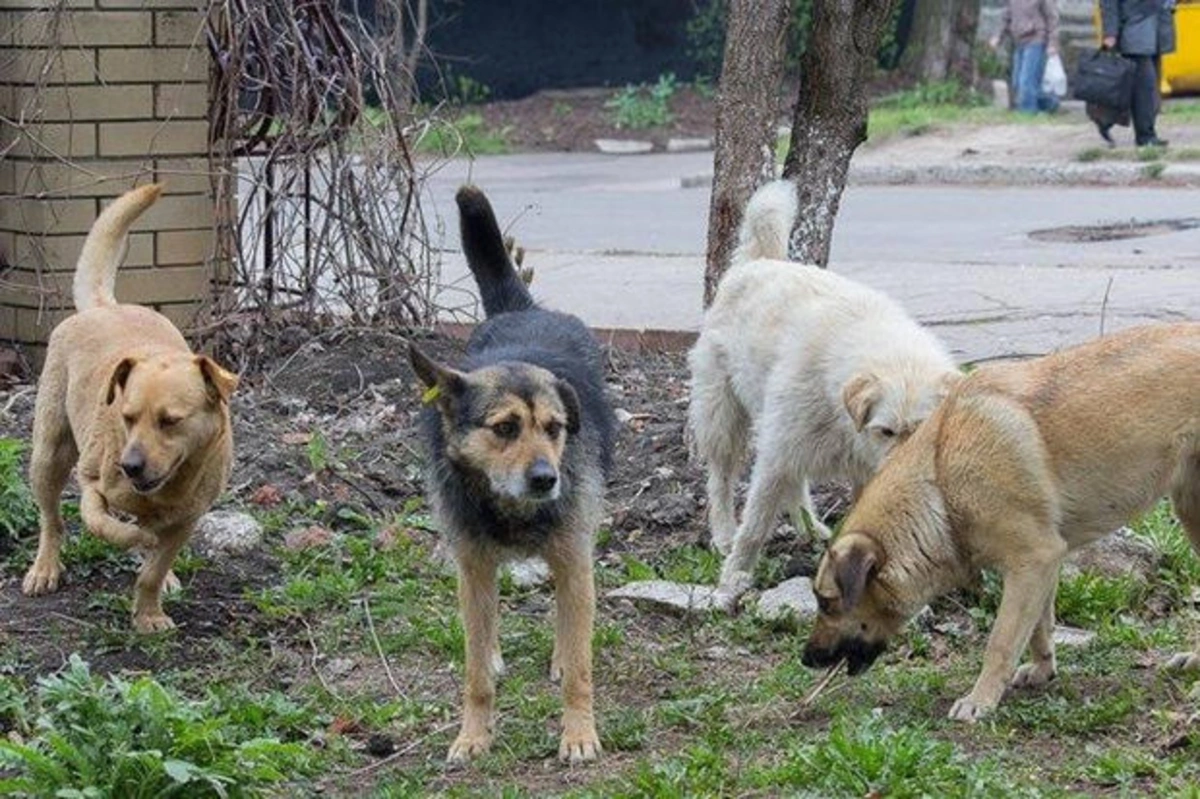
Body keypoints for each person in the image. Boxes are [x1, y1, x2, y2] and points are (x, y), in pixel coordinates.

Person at [1099, 0, 1177, 147]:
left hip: (1156, 31)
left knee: (1145, 89)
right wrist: (1110, 33)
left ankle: (1107, 119)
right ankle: (1145, 136)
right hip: (1135, 31)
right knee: (1145, 88)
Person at [991, 0, 1062, 114]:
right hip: (1019, 41)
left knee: (1026, 81)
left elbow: (1052, 18)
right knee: (1017, 83)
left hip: (1036, 40)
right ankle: (1051, 103)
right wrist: (997, 36)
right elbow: (1006, 16)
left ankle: (1027, 112)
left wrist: (1053, 43)